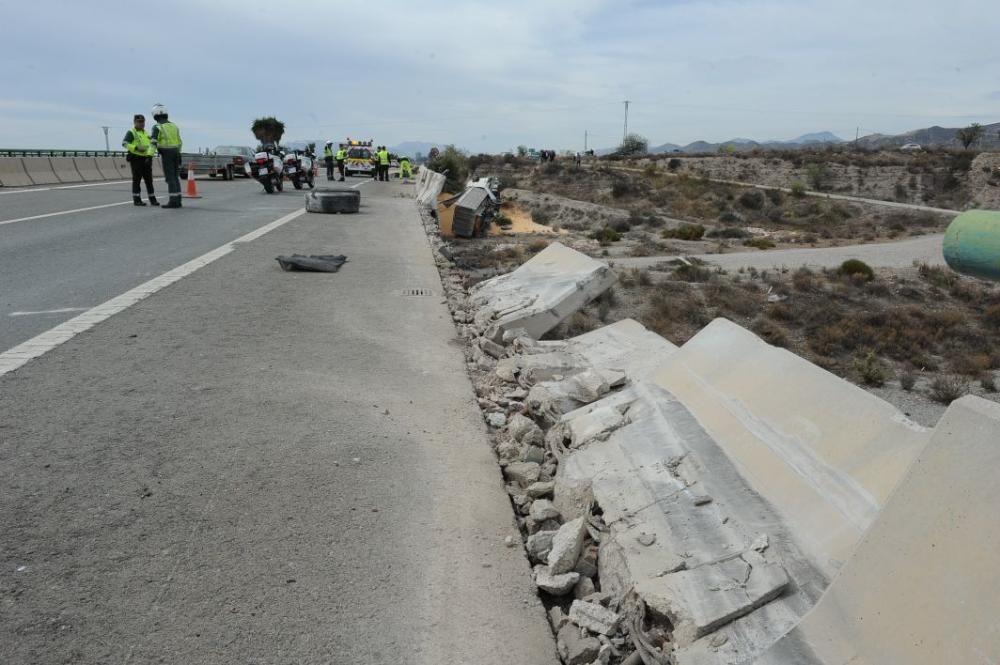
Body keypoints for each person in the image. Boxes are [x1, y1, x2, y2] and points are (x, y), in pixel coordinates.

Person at [150, 103, 183, 208]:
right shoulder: (174, 126)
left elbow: (153, 142)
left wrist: (149, 156)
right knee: (175, 177)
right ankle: (178, 200)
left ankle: (173, 201)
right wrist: (179, 153)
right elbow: (180, 142)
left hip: (167, 154)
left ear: (155, 115)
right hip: (176, 152)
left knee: (170, 178)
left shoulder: (157, 127)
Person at [122, 114, 158, 206]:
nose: (141, 124)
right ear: (134, 122)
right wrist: (135, 148)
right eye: (139, 122)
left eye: (143, 122)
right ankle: (137, 199)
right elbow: (124, 143)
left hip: (146, 158)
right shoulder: (131, 132)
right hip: (136, 159)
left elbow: (151, 145)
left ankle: (152, 199)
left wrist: (150, 155)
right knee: (137, 180)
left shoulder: (145, 133)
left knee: (149, 180)